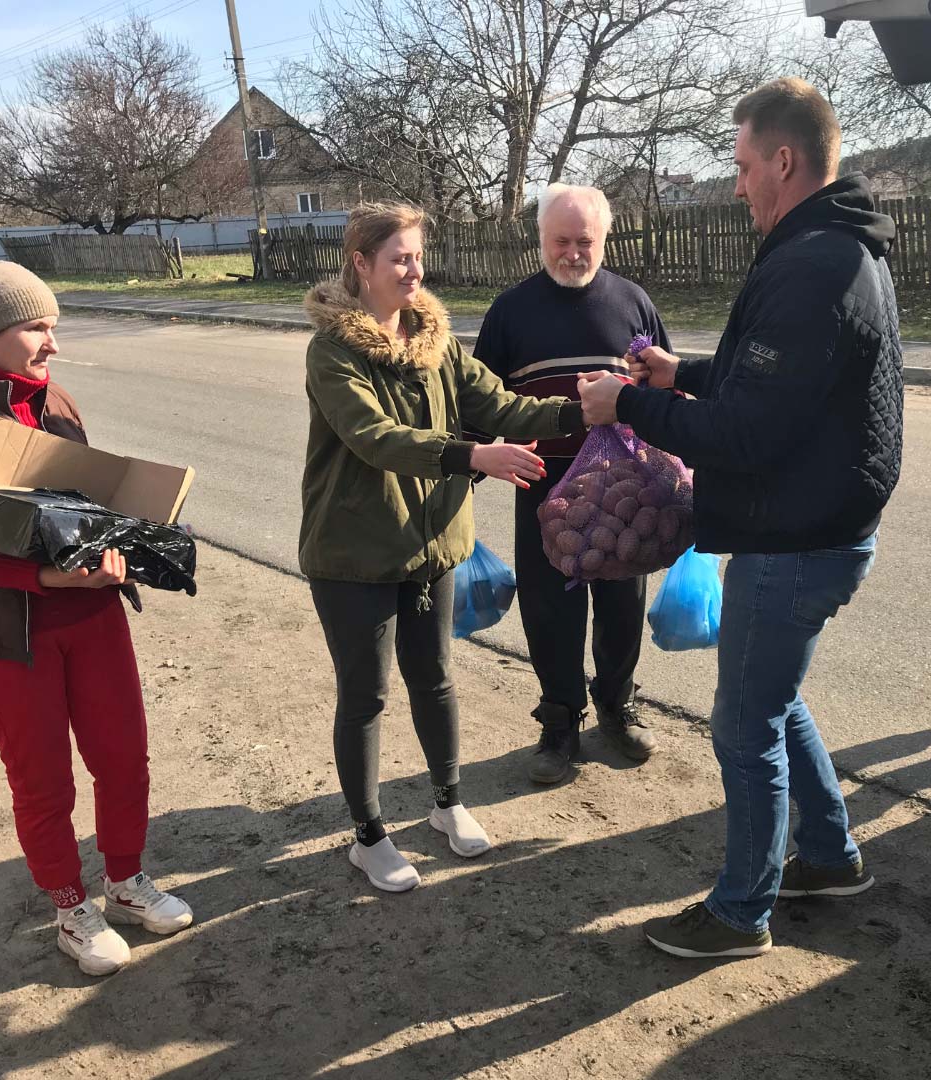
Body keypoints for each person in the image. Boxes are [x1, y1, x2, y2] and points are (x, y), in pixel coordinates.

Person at [578, 79, 904, 958]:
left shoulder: (812, 265)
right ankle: (831, 858)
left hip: (795, 538)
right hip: (818, 526)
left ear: (784, 162)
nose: (735, 184)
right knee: (775, 697)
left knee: (744, 723)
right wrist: (674, 374)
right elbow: (772, 382)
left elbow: (748, 432)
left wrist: (624, 407)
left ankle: (738, 913)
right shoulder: (835, 245)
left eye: (743, 165)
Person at [0, 262, 193, 976]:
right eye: (36, 327)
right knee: (44, 778)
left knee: (124, 757)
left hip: (91, 615)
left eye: (52, 326)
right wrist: (43, 575)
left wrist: (127, 543)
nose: (51, 343)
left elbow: (84, 512)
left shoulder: (56, 403)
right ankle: (70, 906)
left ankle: (124, 882)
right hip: (6, 634)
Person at [301, 202, 583, 892]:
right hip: (354, 552)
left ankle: (448, 804)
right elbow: (375, 438)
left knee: (435, 678)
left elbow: (505, 407)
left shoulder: (438, 341)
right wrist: (472, 457)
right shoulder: (332, 350)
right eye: (399, 257)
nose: (414, 270)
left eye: (418, 256)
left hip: (429, 549)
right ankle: (368, 836)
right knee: (365, 696)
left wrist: (586, 410)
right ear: (361, 264)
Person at [471, 184, 671, 781]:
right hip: (543, 483)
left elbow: (664, 391)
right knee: (549, 609)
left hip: (624, 491)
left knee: (620, 602)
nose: (572, 253)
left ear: (603, 239)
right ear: (541, 239)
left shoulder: (633, 303)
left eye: (584, 241)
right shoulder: (511, 311)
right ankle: (559, 722)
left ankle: (617, 703)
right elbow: (478, 399)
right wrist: (468, 463)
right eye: (561, 241)